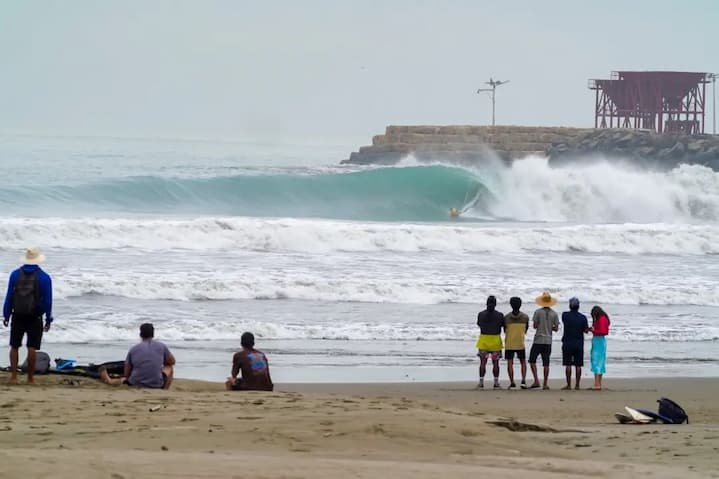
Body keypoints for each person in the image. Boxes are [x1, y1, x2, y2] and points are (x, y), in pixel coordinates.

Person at [2, 247, 53, 385]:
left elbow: (9, 296)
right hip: (35, 316)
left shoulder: (15, 274)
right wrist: (48, 319)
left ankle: (13, 377)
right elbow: (48, 301)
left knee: (14, 345)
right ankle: (30, 379)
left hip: (17, 314)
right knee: (32, 347)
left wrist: (6, 314)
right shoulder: (44, 277)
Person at [100, 323, 175, 389]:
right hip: (157, 384)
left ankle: (109, 380)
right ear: (153, 334)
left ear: (140, 334)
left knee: (123, 379)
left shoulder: (133, 349)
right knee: (169, 367)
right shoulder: (161, 346)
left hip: (135, 383)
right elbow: (172, 361)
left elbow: (126, 373)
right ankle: (165, 389)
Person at [528, 291, 559, 390]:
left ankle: (536, 380)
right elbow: (556, 329)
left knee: (532, 360)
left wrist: (540, 324)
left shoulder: (537, 312)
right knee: (546, 363)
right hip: (548, 340)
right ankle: (545, 383)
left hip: (538, 340)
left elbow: (535, 326)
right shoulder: (554, 314)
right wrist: (550, 327)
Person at [475, 295, 504, 389]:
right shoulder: (499, 315)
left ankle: (481, 382)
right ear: (495, 304)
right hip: (495, 340)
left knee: (483, 362)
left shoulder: (481, 314)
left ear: (486, 303)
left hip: (484, 340)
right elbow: (501, 326)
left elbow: (479, 324)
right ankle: (496, 382)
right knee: (495, 363)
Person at [561, 297, 589, 390]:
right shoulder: (583, 317)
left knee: (568, 364)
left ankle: (568, 385)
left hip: (567, 342)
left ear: (570, 306)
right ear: (578, 306)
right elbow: (586, 331)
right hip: (578, 343)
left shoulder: (565, 315)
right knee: (578, 365)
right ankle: (577, 385)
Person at [503, 296, 529, 389]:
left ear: (510, 305)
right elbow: (526, 330)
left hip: (509, 343)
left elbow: (504, 330)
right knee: (523, 362)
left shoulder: (506, 317)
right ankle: (523, 381)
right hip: (520, 342)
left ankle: (512, 382)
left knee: (510, 362)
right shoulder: (525, 317)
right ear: (520, 305)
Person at [589, 305, 610, 390]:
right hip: (601, 341)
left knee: (596, 362)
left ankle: (597, 384)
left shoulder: (601, 319)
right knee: (600, 362)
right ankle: (599, 383)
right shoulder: (604, 318)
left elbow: (603, 331)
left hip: (598, 341)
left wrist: (593, 330)